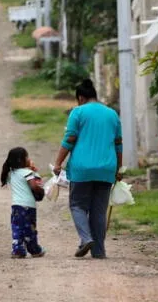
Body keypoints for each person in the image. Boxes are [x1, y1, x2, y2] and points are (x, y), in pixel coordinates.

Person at [53, 79, 122, 259]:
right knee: (99, 211)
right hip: (107, 169)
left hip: (82, 169)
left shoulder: (78, 112)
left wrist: (58, 163)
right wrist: (118, 169)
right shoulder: (112, 114)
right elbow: (118, 145)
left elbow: (70, 139)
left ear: (81, 98)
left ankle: (85, 239)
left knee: (77, 205)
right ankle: (99, 251)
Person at [1, 147, 46, 259]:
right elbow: (34, 186)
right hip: (28, 206)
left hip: (16, 206)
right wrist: (35, 175)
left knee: (17, 228)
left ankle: (18, 250)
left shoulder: (10, 174)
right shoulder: (28, 173)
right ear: (22, 160)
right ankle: (35, 250)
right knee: (30, 229)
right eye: (27, 157)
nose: (29, 159)